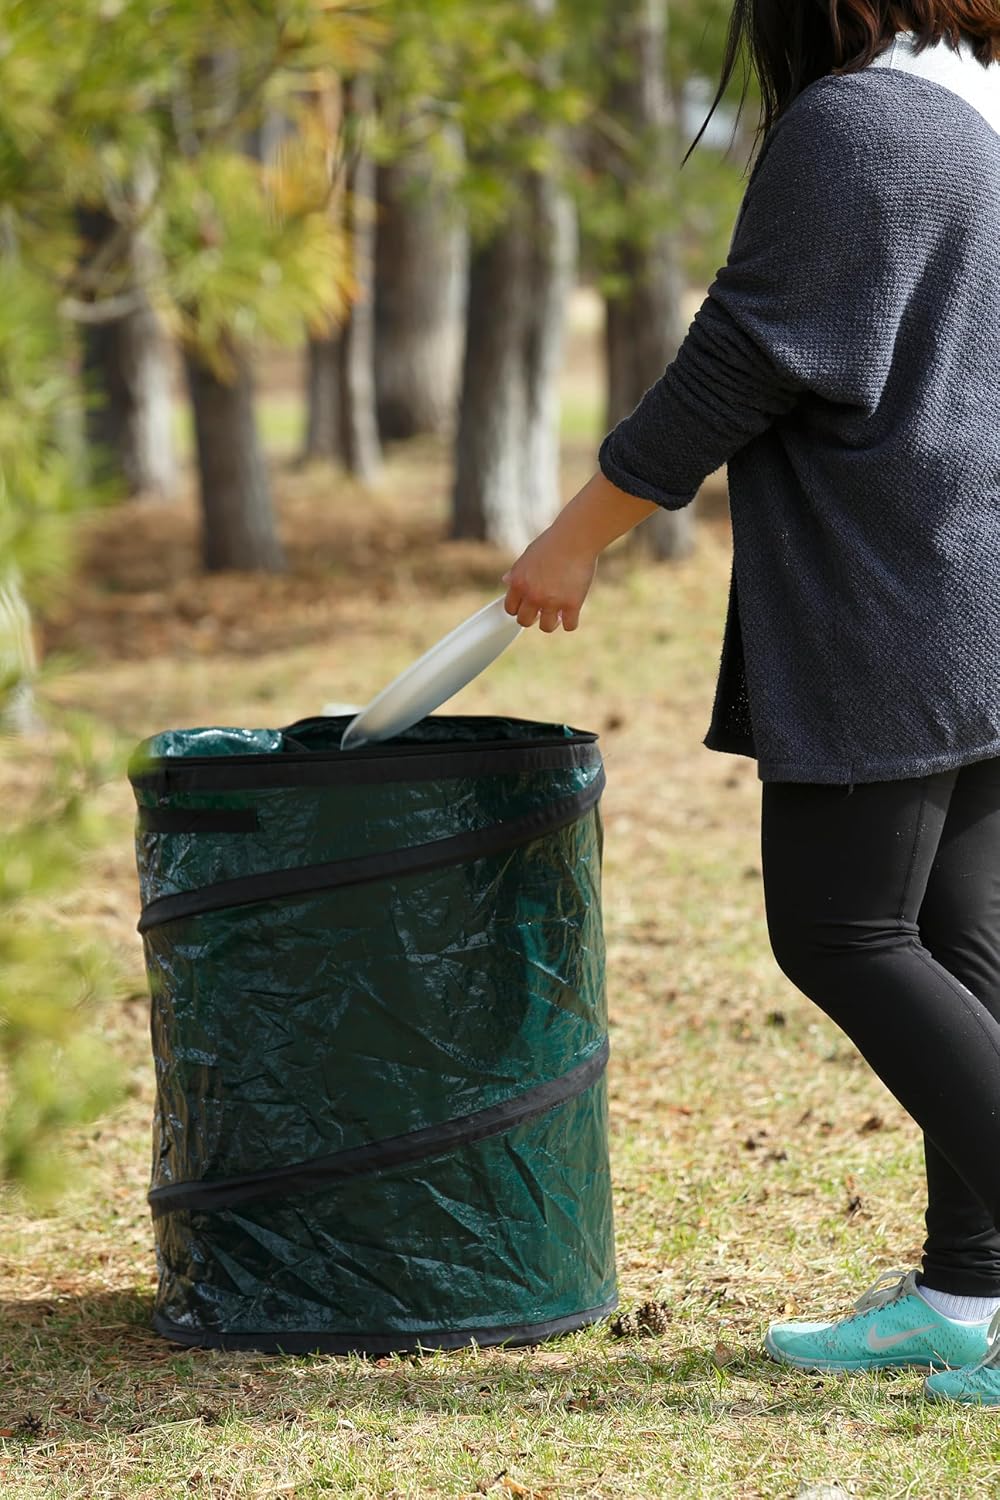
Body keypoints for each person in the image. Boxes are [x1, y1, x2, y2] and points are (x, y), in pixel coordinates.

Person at [501, 0, 1000, 1406]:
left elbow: (752, 356)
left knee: (840, 930)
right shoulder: (972, 109)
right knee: (957, 949)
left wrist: (578, 534)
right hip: (970, 590)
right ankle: (969, 1295)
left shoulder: (859, 126)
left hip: (896, 601)